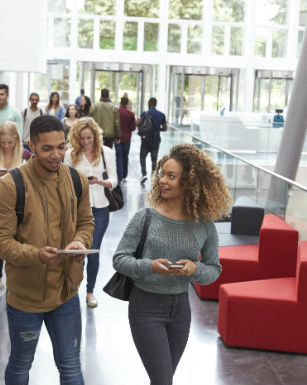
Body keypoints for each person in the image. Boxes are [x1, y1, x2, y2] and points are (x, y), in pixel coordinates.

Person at [112, 144, 231, 385]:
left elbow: (214, 269)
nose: (162, 181)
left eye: (171, 176)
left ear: (189, 183)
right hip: (145, 306)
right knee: (163, 381)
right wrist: (150, 266)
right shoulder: (145, 217)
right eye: (162, 174)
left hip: (180, 309)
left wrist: (195, 269)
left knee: (164, 379)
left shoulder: (204, 224)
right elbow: (120, 259)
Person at [0, 114, 94, 385]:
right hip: (26, 298)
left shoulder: (76, 179)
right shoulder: (10, 185)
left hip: (67, 294)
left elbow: (86, 222)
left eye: (61, 146)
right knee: (21, 363)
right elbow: (0, 241)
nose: (56, 154)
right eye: (47, 148)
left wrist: (81, 241)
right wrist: (36, 255)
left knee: (71, 368)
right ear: (31, 145)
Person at [64, 118, 117, 309]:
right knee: (77, 251)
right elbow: (65, 180)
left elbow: (114, 180)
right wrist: (81, 183)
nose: (86, 142)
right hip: (77, 207)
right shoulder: (70, 154)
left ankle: (90, 291)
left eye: (89, 138)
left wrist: (99, 181)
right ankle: (72, 290)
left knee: (93, 251)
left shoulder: (106, 152)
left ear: (95, 135)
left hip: (101, 207)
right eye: (82, 138)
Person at [0, 122, 32, 300]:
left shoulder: (26, 155)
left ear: (17, 140)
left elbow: (34, 180)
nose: (6, 146)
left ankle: (14, 282)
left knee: (18, 243)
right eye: (3, 143)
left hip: (20, 205)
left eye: (10, 143)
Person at [137, 97, 167, 184]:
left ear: (149, 103)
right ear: (156, 104)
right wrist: (157, 129)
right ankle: (153, 176)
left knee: (142, 157)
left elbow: (137, 123)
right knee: (154, 159)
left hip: (145, 139)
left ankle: (144, 174)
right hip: (156, 139)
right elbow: (165, 128)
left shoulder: (144, 114)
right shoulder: (161, 115)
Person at [117, 96, 136, 182]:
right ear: (128, 103)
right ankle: (124, 175)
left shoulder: (116, 112)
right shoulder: (131, 114)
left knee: (118, 157)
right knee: (125, 156)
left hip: (117, 138)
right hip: (127, 138)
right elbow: (133, 128)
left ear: (120, 103)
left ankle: (119, 176)